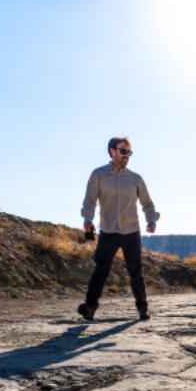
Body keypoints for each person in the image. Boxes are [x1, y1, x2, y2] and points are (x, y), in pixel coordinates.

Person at [78, 136, 160, 321]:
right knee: (101, 269)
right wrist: (88, 219)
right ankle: (90, 308)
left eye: (129, 152)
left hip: (131, 231)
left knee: (135, 271)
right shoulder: (98, 175)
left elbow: (147, 203)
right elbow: (89, 201)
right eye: (123, 151)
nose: (126, 156)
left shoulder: (135, 178)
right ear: (112, 151)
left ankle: (142, 308)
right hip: (108, 231)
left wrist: (152, 220)